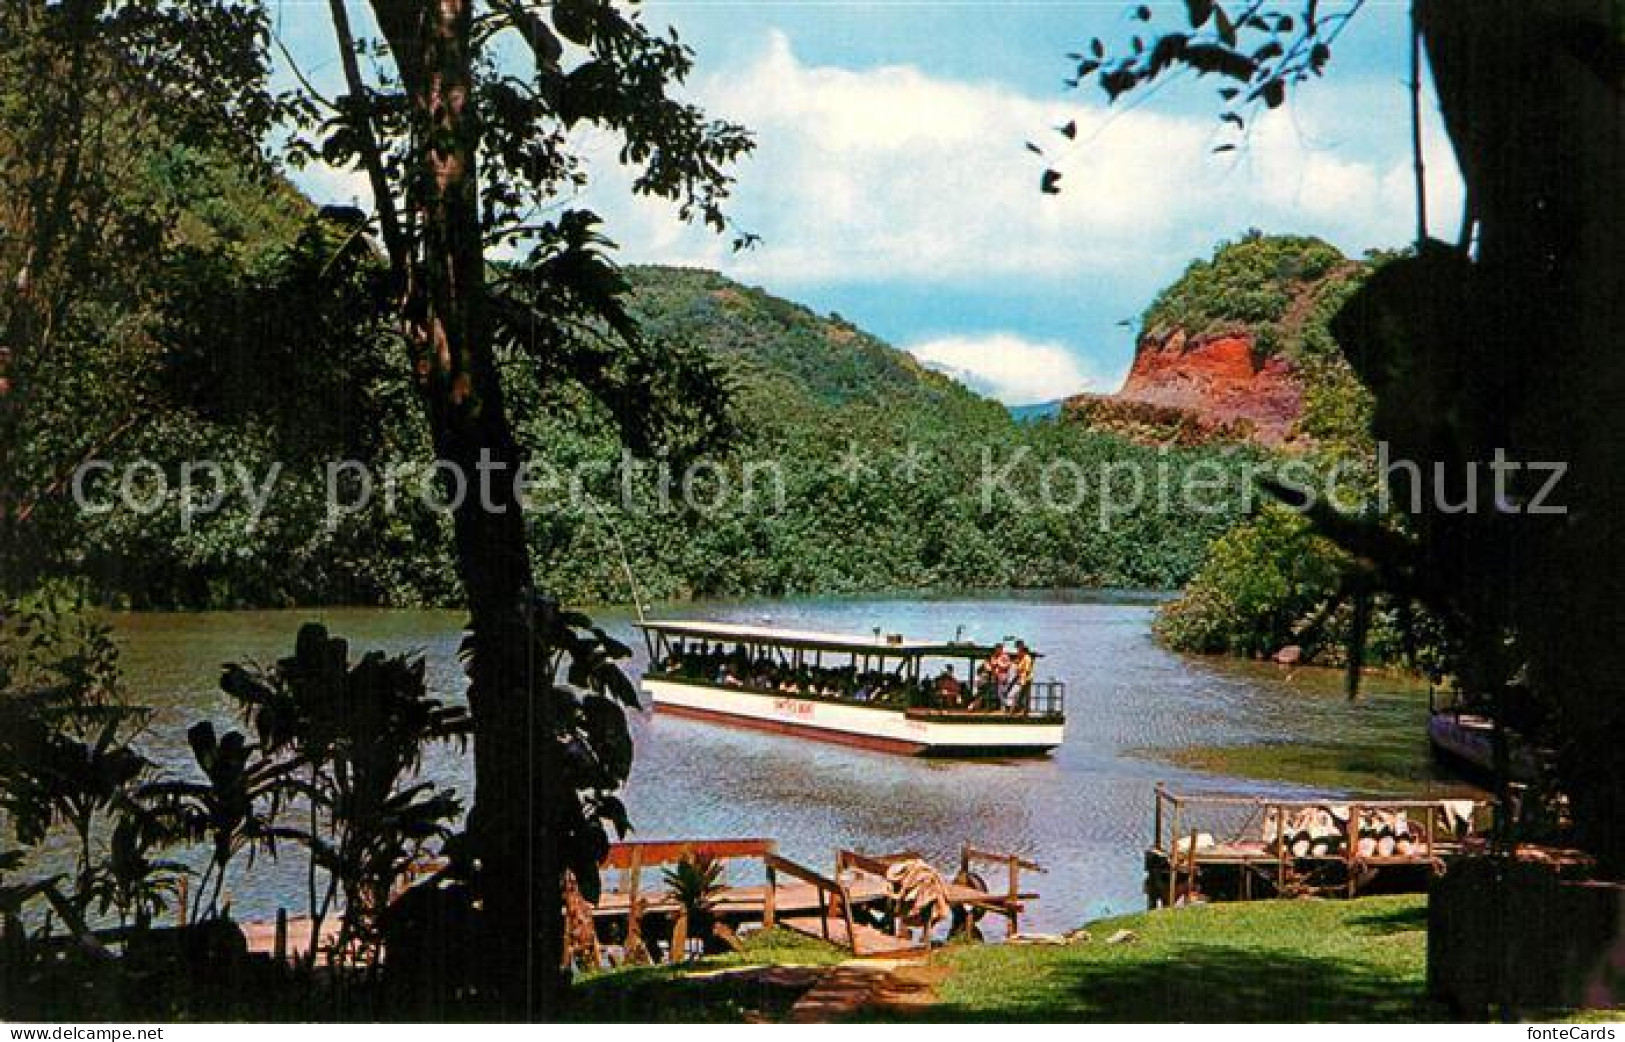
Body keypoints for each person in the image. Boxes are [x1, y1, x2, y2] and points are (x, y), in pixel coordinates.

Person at [1010, 641, 1035, 714]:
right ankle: (1019, 710)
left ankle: (1021, 710)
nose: (1018, 651)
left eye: (1019, 649)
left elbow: (1027, 670)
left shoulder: (1027, 658)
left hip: (1026, 680)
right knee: (1021, 695)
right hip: (1023, 679)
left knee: (1021, 695)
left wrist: (1023, 679)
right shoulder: (1023, 658)